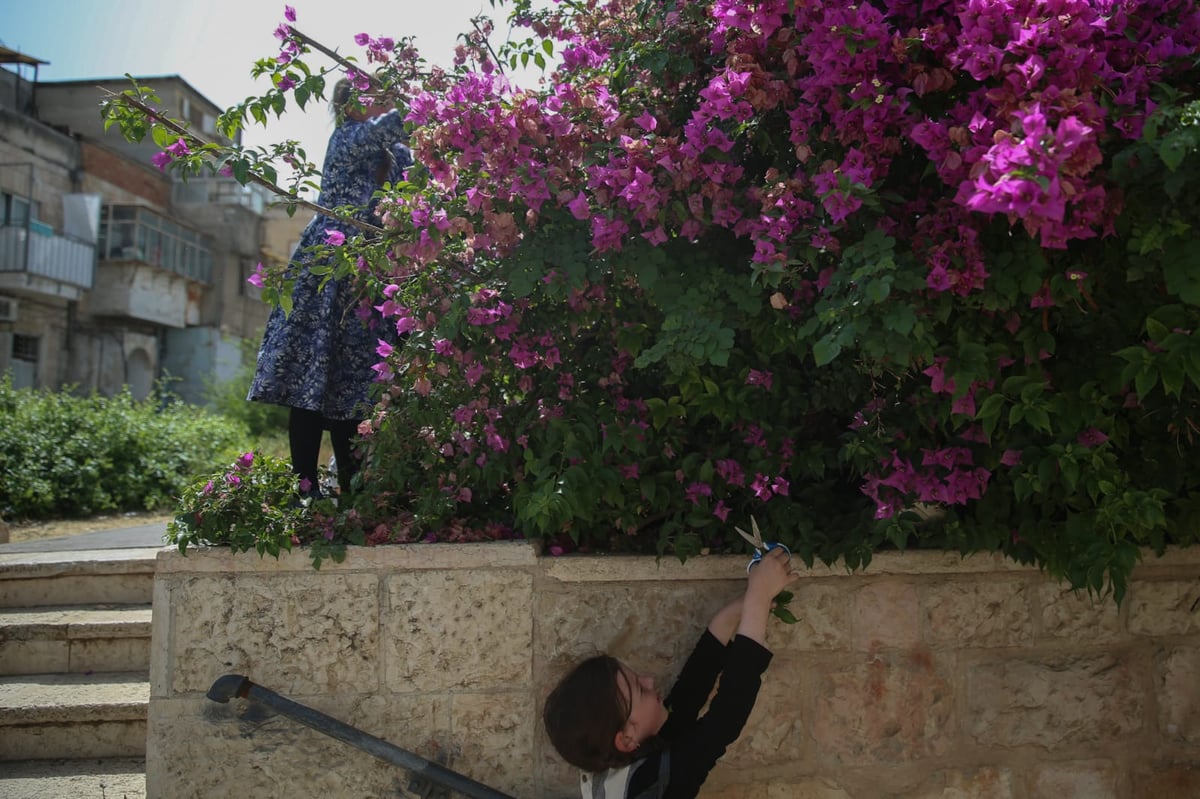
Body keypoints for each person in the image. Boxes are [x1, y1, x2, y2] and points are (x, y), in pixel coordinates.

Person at [248, 78, 411, 497]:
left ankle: (350, 497)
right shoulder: (347, 138)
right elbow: (392, 124)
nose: (373, 102)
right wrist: (407, 99)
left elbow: (416, 164)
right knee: (310, 380)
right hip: (331, 267)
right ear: (347, 106)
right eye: (365, 96)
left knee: (353, 386)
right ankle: (305, 489)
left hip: (369, 273)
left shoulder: (393, 155)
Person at [543, 546, 799, 799]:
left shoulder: (623, 759)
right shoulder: (651, 785)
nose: (650, 680)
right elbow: (726, 717)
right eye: (640, 690)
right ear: (626, 739)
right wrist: (759, 596)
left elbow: (688, 695)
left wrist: (743, 607)